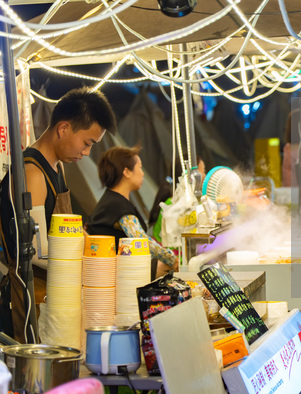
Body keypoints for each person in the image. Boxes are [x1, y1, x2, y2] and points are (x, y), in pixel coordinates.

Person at [0, 87, 116, 342]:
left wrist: (102, 251)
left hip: (52, 292)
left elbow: (68, 227)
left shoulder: (58, 168)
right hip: (27, 296)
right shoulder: (32, 172)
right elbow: (36, 249)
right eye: (87, 143)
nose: (87, 153)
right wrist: (90, 263)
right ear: (63, 129)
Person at [86, 147, 178, 279]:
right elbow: (140, 240)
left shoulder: (113, 201)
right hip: (109, 275)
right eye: (139, 167)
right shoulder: (117, 205)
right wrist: (172, 259)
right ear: (127, 172)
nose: (142, 173)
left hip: (110, 270)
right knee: (164, 267)